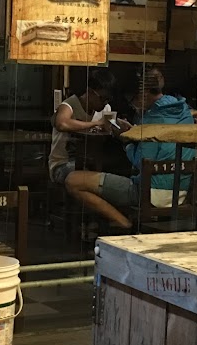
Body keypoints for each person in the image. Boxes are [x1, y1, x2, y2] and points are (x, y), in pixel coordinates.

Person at [66, 67, 196, 228]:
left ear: (144, 93)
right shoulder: (183, 110)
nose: (133, 105)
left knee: (73, 180)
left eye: (133, 100)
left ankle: (124, 223)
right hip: (181, 192)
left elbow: (140, 162)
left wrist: (126, 141)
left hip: (151, 193)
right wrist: (135, 132)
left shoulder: (151, 119)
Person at [51, 70, 134, 228]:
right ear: (90, 92)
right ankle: (112, 221)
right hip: (62, 165)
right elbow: (62, 123)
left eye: (108, 99)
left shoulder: (105, 108)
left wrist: (121, 128)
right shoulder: (69, 105)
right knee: (89, 177)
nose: (104, 103)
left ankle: (104, 222)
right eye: (102, 98)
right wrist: (95, 124)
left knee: (115, 174)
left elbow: (110, 127)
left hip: (93, 163)